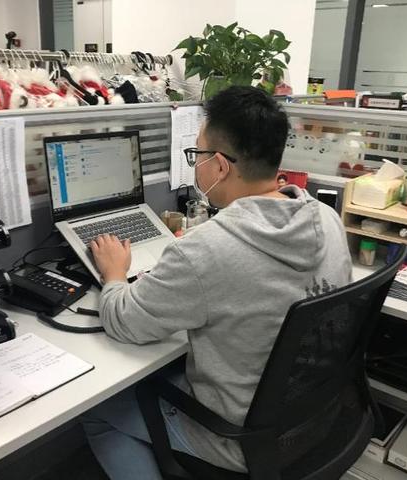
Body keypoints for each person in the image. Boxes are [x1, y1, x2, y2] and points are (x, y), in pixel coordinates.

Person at [82, 86, 352, 479]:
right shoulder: (326, 217)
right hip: (313, 416)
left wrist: (114, 273)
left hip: (240, 442)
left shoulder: (206, 250)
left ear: (220, 166)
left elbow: (124, 322)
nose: (196, 165)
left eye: (197, 154)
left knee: (99, 412)